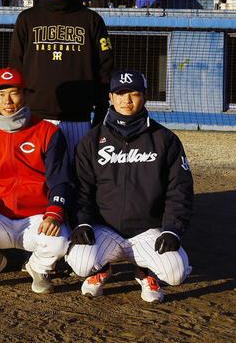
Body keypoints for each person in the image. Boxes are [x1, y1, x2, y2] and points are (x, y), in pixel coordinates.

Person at [66, 69, 193, 303]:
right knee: (80, 263)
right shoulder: (91, 141)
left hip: (147, 232)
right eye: (120, 93)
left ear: (145, 96)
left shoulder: (165, 140)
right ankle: (101, 269)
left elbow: (180, 190)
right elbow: (81, 189)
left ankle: (146, 272)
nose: (127, 100)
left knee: (175, 273)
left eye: (133, 93)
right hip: (105, 230)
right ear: (110, 98)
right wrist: (82, 222)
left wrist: (172, 229)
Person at [0, 67, 72, 292]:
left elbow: (61, 181)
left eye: (14, 93)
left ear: (25, 94)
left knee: (59, 242)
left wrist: (55, 213)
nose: (7, 100)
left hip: (36, 217)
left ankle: (38, 267)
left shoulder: (47, 132)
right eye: (1, 94)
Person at [8, 0, 114, 153]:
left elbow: (105, 69)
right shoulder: (27, 19)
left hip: (78, 118)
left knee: (77, 179)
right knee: (37, 180)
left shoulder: (91, 20)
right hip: (35, 117)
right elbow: (16, 66)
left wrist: (100, 112)